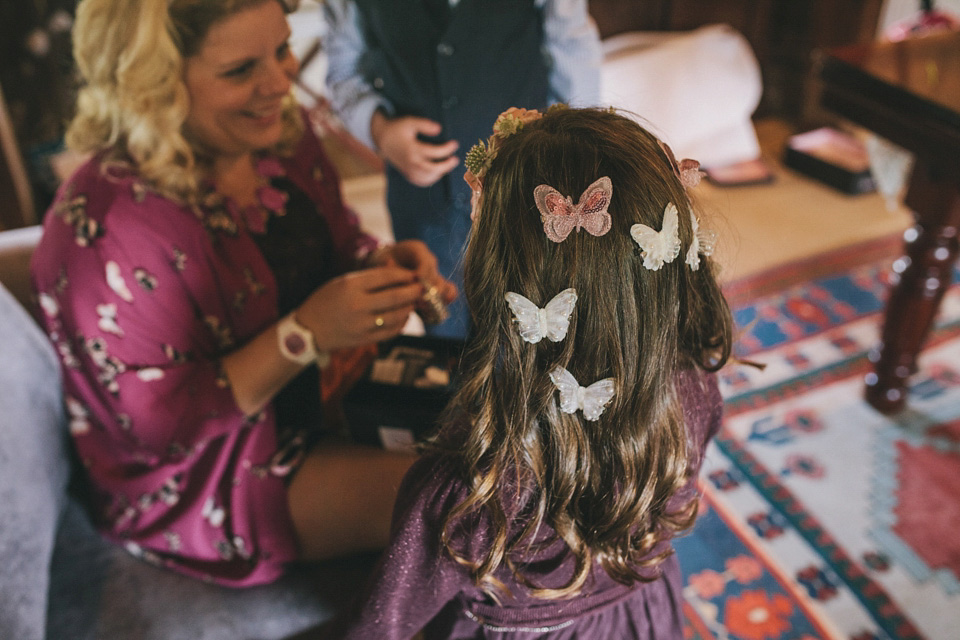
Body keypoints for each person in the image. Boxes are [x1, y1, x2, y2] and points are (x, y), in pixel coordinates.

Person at [29, 0, 456, 587]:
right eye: (240, 71)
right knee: (469, 506)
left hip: (328, 398)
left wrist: (381, 267)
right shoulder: (101, 228)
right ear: (152, 84)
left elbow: (339, 240)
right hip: (209, 471)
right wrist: (305, 334)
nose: (280, 83)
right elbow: (160, 431)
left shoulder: (281, 131)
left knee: (532, 454)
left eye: (281, 49)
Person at [326, 106, 734, 639]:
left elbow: (383, 622)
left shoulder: (471, 485)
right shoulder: (697, 386)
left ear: (495, 286)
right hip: (642, 618)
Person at [322, 0, 603, 338]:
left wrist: (571, 154)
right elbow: (343, 69)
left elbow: (572, 49)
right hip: (422, 202)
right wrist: (378, 130)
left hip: (524, 192)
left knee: (526, 331)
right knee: (444, 331)